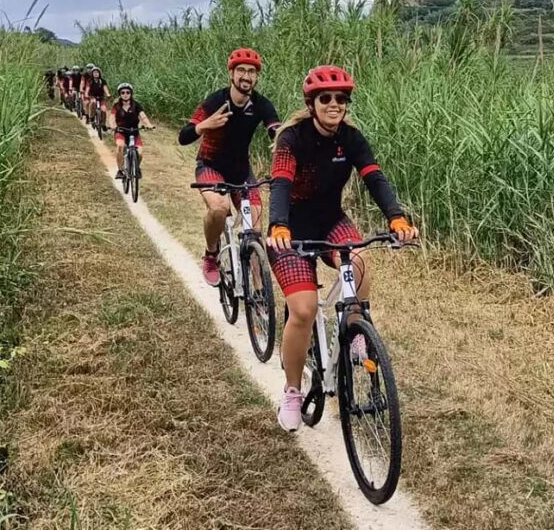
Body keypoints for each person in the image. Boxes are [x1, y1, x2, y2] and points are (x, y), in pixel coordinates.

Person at [265, 65, 418, 433]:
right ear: (312, 102)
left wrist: (396, 217)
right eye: (326, 98)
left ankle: (353, 335)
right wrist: (278, 224)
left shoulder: (350, 138)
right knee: (302, 309)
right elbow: (281, 183)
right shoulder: (292, 138)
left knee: (361, 262)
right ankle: (291, 391)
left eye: (341, 98)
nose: (334, 104)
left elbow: (374, 178)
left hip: (331, 220)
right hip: (291, 230)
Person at [178, 48, 280, 286]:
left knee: (254, 230)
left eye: (252, 72)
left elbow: (275, 129)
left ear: (256, 77)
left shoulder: (262, 104)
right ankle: (211, 254)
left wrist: (279, 140)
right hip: (210, 166)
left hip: (241, 171)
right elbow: (183, 137)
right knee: (219, 208)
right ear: (232, 74)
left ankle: (259, 294)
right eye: (241, 70)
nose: (246, 76)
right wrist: (204, 125)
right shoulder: (215, 101)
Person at [108, 82, 155, 178]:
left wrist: (148, 124)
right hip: (121, 131)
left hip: (134, 132)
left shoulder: (136, 105)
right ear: (120, 94)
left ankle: (136, 168)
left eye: (128, 92)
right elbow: (112, 117)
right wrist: (113, 126)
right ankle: (120, 170)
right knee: (120, 146)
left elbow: (143, 116)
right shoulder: (116, 106)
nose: (125, 95)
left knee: (140, 154)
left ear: (131, 93)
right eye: (123, 93)